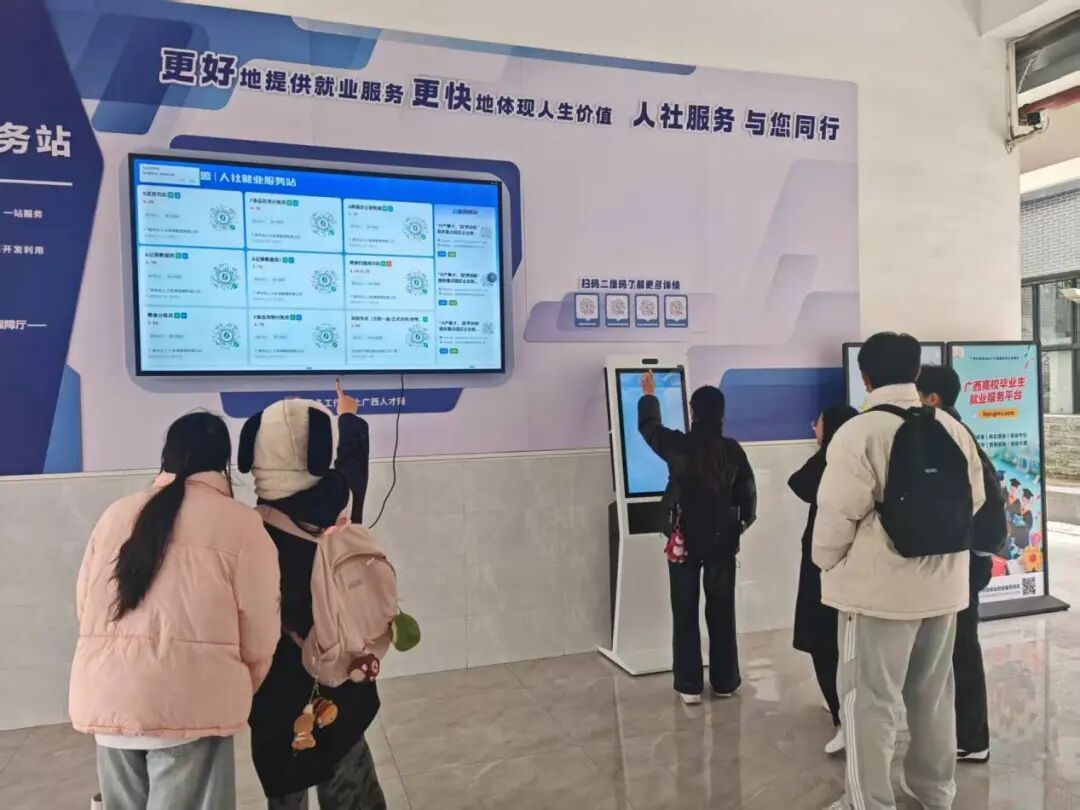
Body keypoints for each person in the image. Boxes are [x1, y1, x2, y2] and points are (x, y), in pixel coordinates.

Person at [70, 412, 281, 810]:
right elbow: (260, 626)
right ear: (223, 461)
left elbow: (87, 606)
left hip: (109, 703)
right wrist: (235, 685)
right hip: (191, 706)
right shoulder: (241, 524)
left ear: (166, 455)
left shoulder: (116, 514)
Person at [814, 333, 985, 810]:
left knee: (870, 701)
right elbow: (974, 499)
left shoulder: (860, 432)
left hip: (879, 594)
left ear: (865, 377)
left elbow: (836, 514)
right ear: (916, 374)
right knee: (933, 696)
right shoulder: (951, 428)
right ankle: (934, 792)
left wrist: (825, 561)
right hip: (945, 588)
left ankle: (867, 801)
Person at [241, 383, 386, 809]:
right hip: (342, 671)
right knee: (349, 764)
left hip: (278, 686)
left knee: (285, 776)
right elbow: (354, 459)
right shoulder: (343, 499)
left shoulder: (249, 532)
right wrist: (348, 416)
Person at [638, 371, 757, 704]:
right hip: (721, 543)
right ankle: (724, 681)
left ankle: (689, 685)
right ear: (721, 414)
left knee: (685, 611)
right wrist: (735, 530)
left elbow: (649, 428)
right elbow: (748, 499)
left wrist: (649, 396)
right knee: (722, 612)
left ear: (692, 412)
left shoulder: (678, 445)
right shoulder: (732, 451)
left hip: (683, 543)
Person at [918, 364, 1008, 765]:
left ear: (932, 399)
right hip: (962, 557)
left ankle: (972, 738)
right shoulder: (946, 431)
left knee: (962, 647)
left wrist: (979, 555)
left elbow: (990, 501)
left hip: (963, 560)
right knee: (952, 646)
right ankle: (960, 733)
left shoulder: (950, 435)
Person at [788, 404, 857, 755]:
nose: (812, 427)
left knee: (824, 639)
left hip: (828, 563)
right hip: (845, 563)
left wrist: (830, 445)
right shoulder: (856, 458)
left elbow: (799, 483)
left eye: (818, 423)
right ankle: (843, 710)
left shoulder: (835, 460)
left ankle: (844, 716)